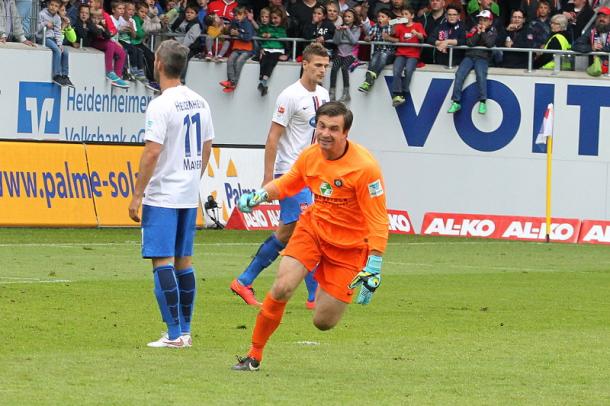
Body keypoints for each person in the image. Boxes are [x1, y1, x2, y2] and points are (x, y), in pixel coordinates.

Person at [231, 101, 389, 372]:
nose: (325, 133)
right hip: (312, 231)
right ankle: (254, 355)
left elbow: (377, 217)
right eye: (322, 126)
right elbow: (289, 183)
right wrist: (261, 195)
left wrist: (374, 263)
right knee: (282, 287)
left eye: (334, 129)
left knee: (323, 322)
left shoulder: (365, 168)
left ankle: (330, 285)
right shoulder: (310, 155)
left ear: (346, 133)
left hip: (349, 248)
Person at [229, 43, 330, 309]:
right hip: (291, 173)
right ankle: (312, 296)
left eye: (326, 66)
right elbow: (273, 138)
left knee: (291, 233)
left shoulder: (323, 95)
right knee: (308, 231)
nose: (322, 70)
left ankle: (245, 280)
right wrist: (268, 179)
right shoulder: (290, 96)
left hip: (312, 175)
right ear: (304, 63)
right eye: (318, 65)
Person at [128, 39, 215, 348]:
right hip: (187, 194)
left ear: (158, 63)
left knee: (162, 262)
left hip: (163, 195)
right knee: (184, 262)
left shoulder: (160, 104)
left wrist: (137, 194)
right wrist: (194, 178)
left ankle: (174, 334)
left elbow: (152, 152)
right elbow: (207, 146)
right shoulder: (200, 101)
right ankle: (186, 331)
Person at [447, 9, 497, 115]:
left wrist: (483, 32)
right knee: (459, 74)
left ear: (490, 22)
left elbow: (489, 44)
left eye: (485, 20)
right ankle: (456, 102)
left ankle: (482, 101)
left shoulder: (493, 30)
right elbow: (469, 43)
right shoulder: (474, 28)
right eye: (480, 19)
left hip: (482, 58)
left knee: (480, 75)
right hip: (469, 56)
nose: (482, 22)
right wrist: (478, 33)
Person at [388, 6, 426, 107]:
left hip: (413, 55)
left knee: (409, 70)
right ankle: (397, 93)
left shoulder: (418, 25)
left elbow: (422, 37)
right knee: (396, 70)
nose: (404, 16)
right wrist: (394, 23)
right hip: (400, 53)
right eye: (402, 14)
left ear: (412, 16)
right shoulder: (399, 26)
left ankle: (404, 91)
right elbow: (392, 34)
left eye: (406, 14)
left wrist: (416, 33)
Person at [37, 0, 75, 87]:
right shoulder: (42, 14)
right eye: (51, 5)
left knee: (64, 51)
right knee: (57, 51)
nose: (53, 7)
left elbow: (58, 32)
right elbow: (36, 28)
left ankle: (65, 75)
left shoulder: (57, 18)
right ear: (48, 4)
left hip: (52, 38)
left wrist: (60, 44)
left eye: (56, 6)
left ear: (58, 8)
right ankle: (56, 75)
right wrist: (45, 23)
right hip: (43, 38)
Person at [358, 8, 395, 93]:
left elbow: (403, 21)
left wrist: (388, 37)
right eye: (378, 16)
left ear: (389, 19)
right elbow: (367, 37)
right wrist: (368, 38)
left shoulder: (392, 27)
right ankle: (368, 82)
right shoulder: (375, 26)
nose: (380, 18)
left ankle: (369, 80)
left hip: (389, 52)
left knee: (383, 55)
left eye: (383, 17)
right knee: (373, 60)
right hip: (378, 51)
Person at [219, 5, 255, 92]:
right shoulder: (234, 21)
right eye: (235, 15)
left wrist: (237, 34)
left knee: (238, 62)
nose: (237, 17)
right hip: (237, 48)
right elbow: (230, 32)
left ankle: (233, 83)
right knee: (230, 60)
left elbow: (248, 37)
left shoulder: (247, 24)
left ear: (245, 15)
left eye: (239, 15)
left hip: (247, 49)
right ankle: (230, 82)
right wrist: (230, 31)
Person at [330, 8, 361, 102]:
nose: (346, 18)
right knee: (334, 68)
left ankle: (346, 93)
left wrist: (347, 30)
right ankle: (332, 93)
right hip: (340, 53)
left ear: (354, 19)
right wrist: (338, 31)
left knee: (344, 68)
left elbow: (354, 41)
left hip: (351, 55)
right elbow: (336, 41)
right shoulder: (340, 27)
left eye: (349, 17)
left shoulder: (357, 29)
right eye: (345, 16)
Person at [257, 6, 288, 96]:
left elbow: (282, 35)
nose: (274, 20)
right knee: (263, 60)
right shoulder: (267, 26)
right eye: (272, 18)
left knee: (271, 61)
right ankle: (262, 82)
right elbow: (259, 31)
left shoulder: (282, 28)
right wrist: (262, 34)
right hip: (266, 49)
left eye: (276, 18)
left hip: (278, 50)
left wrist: (271, 34)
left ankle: (264, 81)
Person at [572, 6, 610, 75]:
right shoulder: (591, 30)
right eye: (599, 17)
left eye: (604, 17)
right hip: (594, 71)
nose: (601, 19)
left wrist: (602, 48)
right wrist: (591, 48)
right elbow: (576, 46)